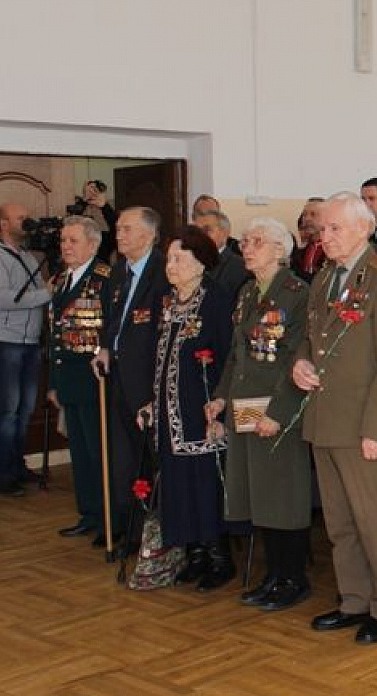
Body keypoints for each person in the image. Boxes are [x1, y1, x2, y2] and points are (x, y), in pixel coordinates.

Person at [291, 191, 377, 645]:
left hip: (364, 425)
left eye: (334, 228)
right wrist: (300, 363)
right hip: (326, 419)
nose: (324, 237)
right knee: (341, 523)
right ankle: (354, 600)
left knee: (374, 521)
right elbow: (313, 340)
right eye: (322, 229)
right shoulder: (325, 277)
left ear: (363, 228)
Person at [207, 217, 314, 612]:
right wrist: (220, 398)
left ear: (279, 250)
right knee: (259, 494)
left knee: (284, 495)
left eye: (256, 242)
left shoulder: (297, 293)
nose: (246, 248)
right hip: (245, 405)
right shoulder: (248, 291)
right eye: (246, 241)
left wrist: (280, 413)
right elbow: (236, 354)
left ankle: (293, 578)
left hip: (276, 408)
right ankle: (273, 575)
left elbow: (299, 358)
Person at [142, 226, 235, 591]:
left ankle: (219, 558)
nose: (171, 265)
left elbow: (229, 356)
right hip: (168, 411)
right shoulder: (165, 300)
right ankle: (194, 555)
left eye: (179, 258)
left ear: (200, 262)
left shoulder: (216, 299)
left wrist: (222, 405)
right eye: (169, 259)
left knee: (204, 483)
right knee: (178, 484)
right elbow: (156, 355)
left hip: (203, 411)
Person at [93, 206, 170, 547]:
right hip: (120, 379)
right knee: (126, 459)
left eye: (126, 229)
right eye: (119, 229)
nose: (118, 234)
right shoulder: (118, 272)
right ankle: (134, 529)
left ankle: (162, 532)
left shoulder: (164, 272)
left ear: (148, 234)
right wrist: (106, 347)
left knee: (154, 458)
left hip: (150, 382)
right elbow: (113, 319)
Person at [0, 203, 52, 496]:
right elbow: (4, 299)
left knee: (24, 410)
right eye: (21, 218)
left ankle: (18, 466)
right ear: (4, 224)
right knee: (6, 412)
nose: (28, 221)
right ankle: (4, 475)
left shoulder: (28, 257)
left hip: (30, 341)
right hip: (4, 341)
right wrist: (47, 293)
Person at [47, 216, 112, 536]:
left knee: (99, 453)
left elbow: (109, 331)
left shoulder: (104, 279)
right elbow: (53, 335)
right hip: (68, 379)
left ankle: (108, 519)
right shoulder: (60, 279)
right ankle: (88, 514)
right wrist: (52, 384)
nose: (66, 247)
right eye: (63, 241)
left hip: (93, 380)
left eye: (73, 241)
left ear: (92, 243)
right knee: (81, 456)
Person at [194, 209, 249, 301]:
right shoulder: (190, 263)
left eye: (207, 230)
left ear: (225, 233)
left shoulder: (239, 266)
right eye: (197, 232)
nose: (200, 236)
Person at [291, 198, 327, 283]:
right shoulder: (301, 252)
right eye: (304, 215)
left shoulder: (332, 252)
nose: (307, 219)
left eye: (313, 214)